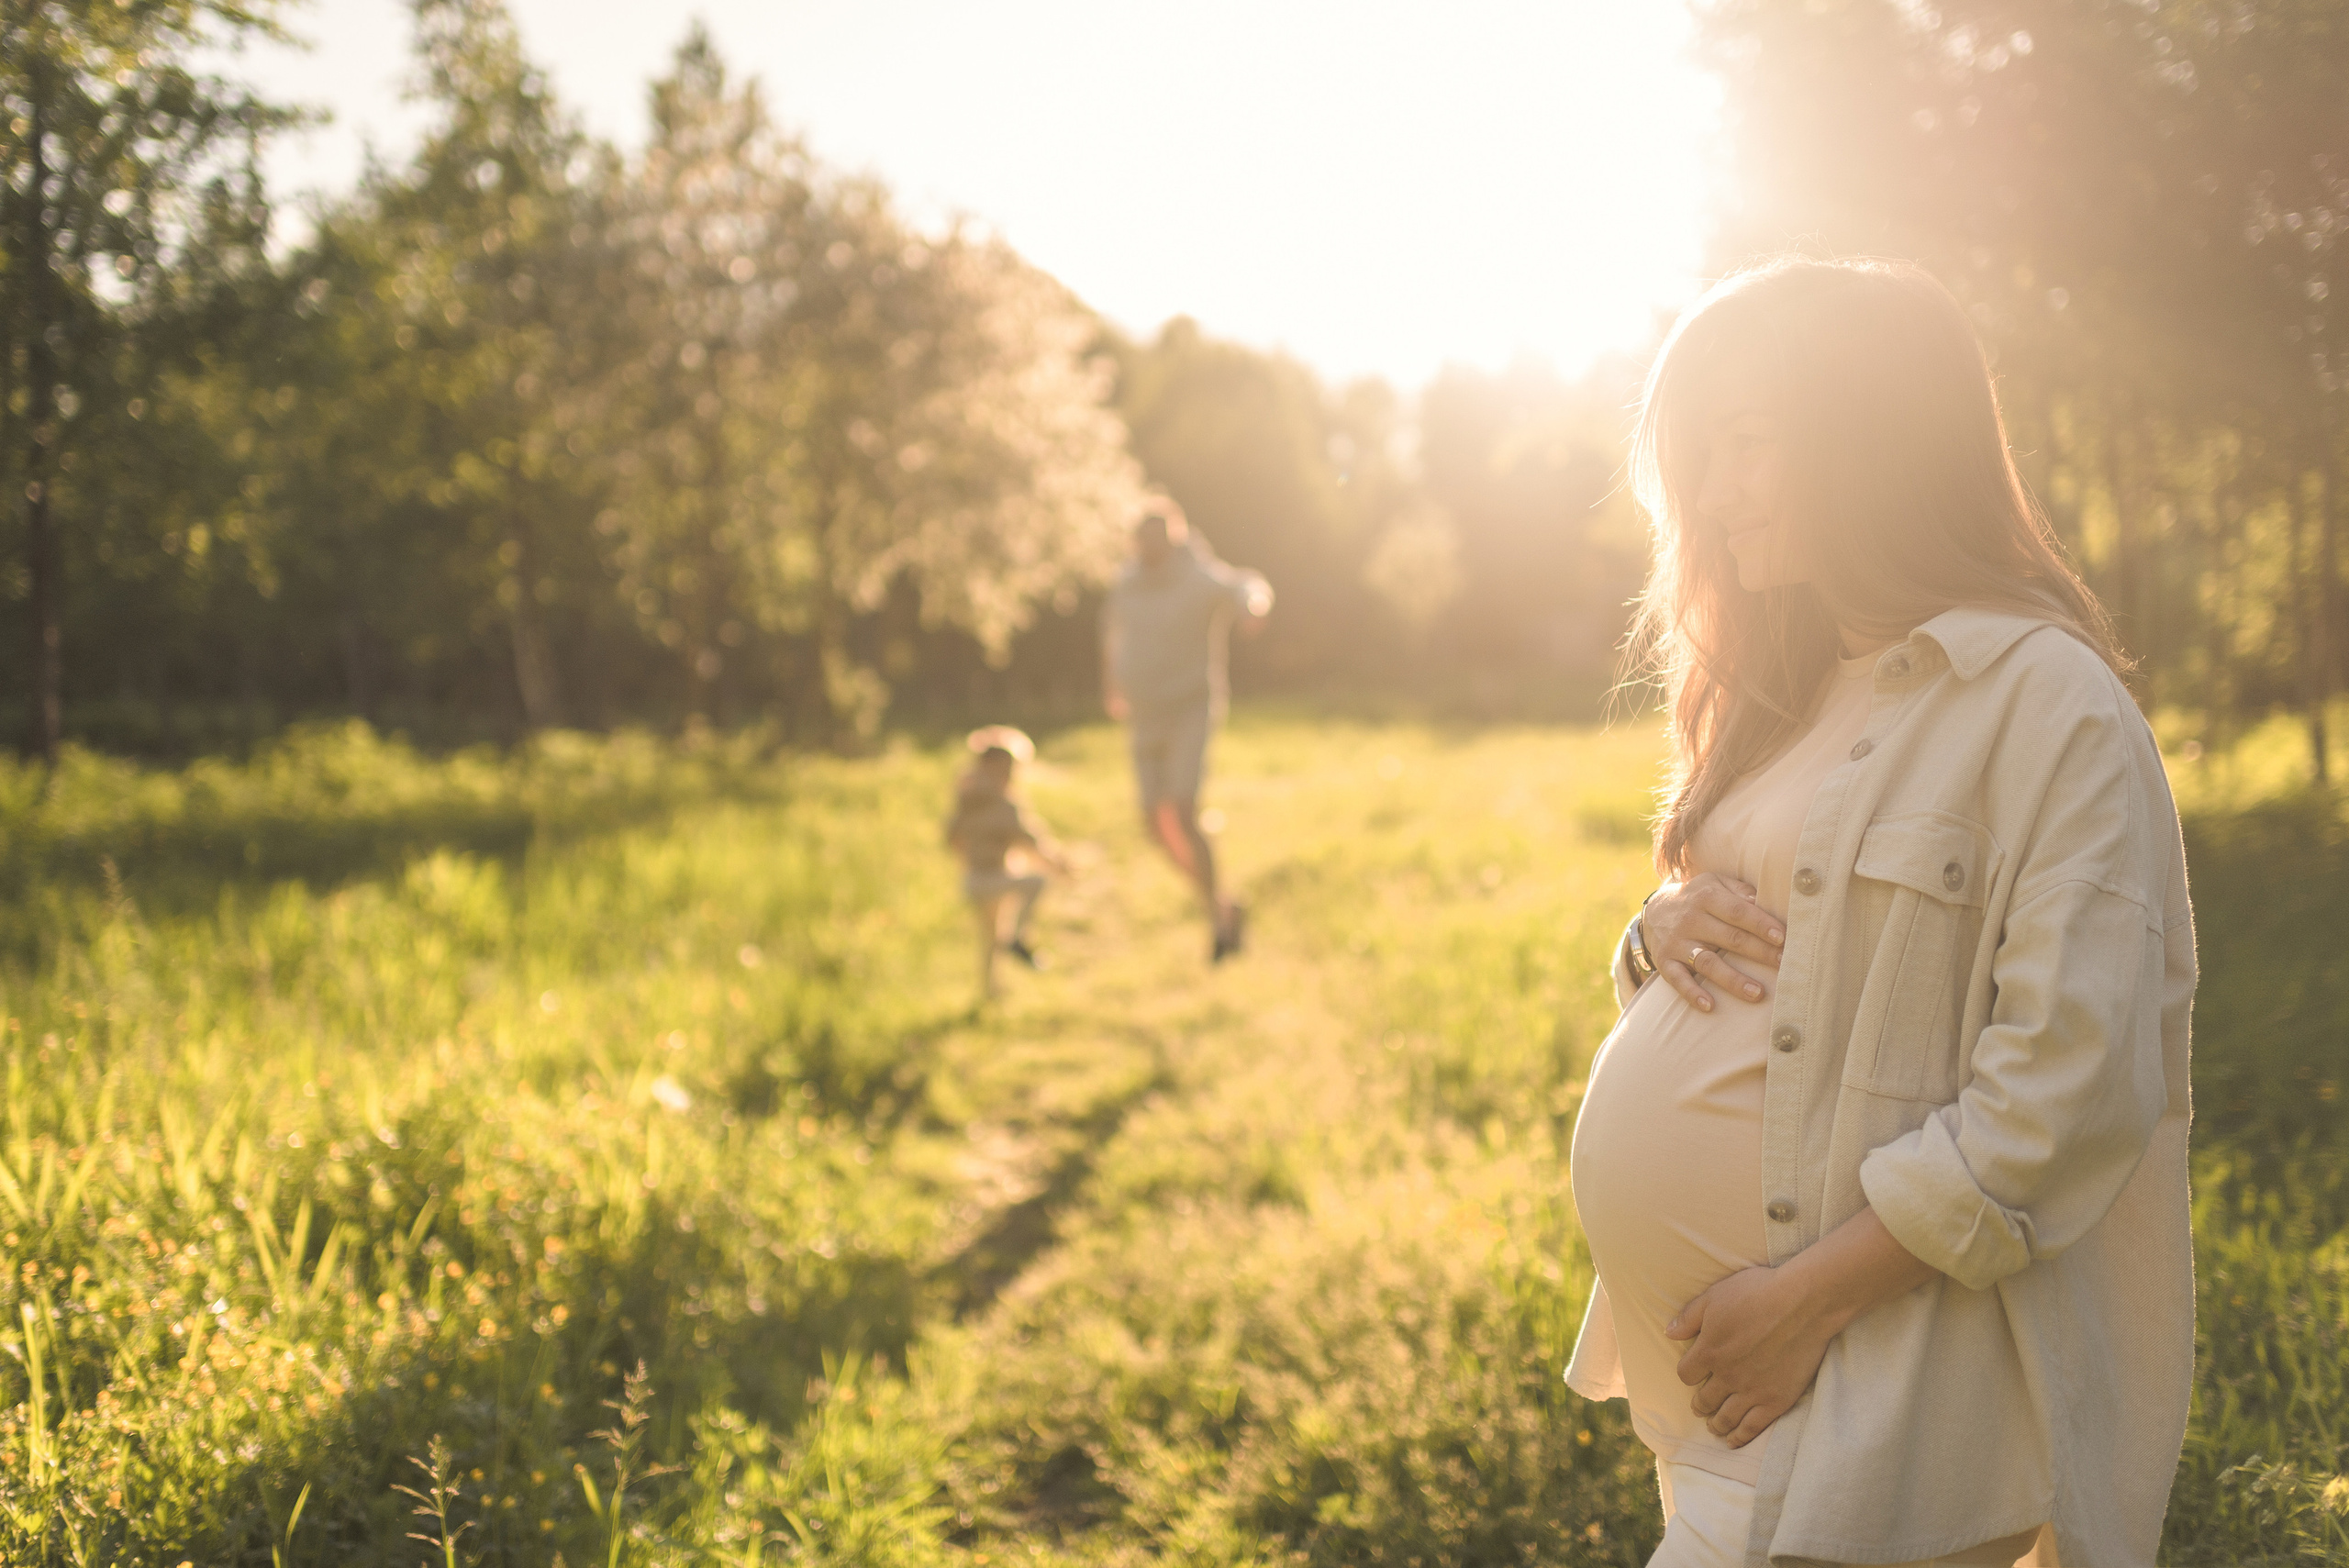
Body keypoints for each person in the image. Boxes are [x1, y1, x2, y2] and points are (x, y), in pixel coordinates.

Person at [1564, 258, 2194, 1567]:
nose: (1718, 493)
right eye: (1705, 453)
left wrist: (1800, 1303)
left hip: (1880, 1404)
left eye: (1750, 444)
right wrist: (1653, 934)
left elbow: (2068, 1089)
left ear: (1874, 440)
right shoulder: (1793, 688)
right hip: (1737, 1412)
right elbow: (1773, 963)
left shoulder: (2046, 702)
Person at [1100, 504, 1273, 962]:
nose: (1149, 548)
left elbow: (1248, 584)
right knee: (1153, 825)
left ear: (1173, 540)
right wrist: (1112, 683)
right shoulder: (1127, 583)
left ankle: (1217, 923)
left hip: (1189, 707)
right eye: (1142, 541)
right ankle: (1222, 904)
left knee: (1181, 808)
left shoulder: (1197, 577)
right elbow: (1114, 635)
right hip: (1144, 711)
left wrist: (1253, 607)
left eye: (1158, 540)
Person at [944, 726, 1070, 998]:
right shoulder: (1004, 804)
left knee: (989, 937)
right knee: (1036, 882)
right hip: (995, 876)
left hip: (973, 879)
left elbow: (952, 837)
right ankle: (1018, 939)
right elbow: (1031, 843)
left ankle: (990, 993)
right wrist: (1060, 866)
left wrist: (969, 858)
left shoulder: (964, 799)